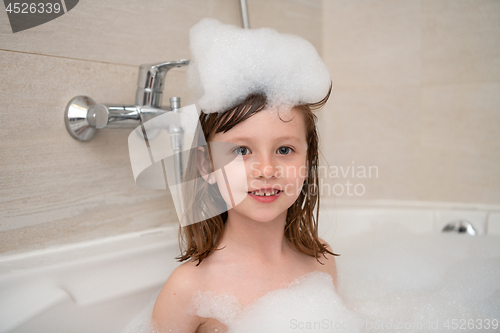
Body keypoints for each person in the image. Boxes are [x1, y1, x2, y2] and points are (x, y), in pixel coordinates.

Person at [150, 19, 339, 333]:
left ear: (306, 165)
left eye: (284, 150)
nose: (266, 170)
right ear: (206, 166)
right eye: (241, 151)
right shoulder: (188, 289)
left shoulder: (322, 261)